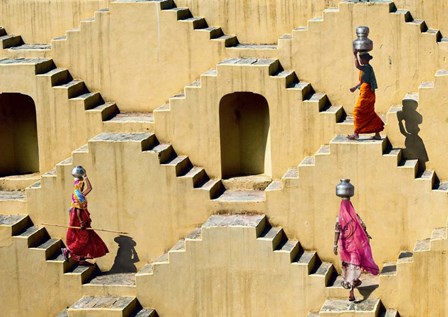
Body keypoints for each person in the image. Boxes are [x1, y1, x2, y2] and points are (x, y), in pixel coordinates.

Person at [333, 198, 379, 301]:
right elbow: (363, 226)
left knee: (349, 268)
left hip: (344, 248)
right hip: (354, 247)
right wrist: (365, 235)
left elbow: (336, 231)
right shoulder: (355, 217)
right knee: (353, 267)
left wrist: (335, 245)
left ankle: (351, 291)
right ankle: (352, 286)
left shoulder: (339, 218)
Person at [61, 168, 108, 265]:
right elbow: (78, 210)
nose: (83, 188)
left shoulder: (80, 195)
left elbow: (90, 188)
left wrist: (85, 177)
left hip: (83, 219)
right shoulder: (77, 197)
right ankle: (68, 250)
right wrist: (81, 222)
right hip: (79, 220)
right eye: (82, 186)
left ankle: (81, 258)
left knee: (88, 238)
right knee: (83, 239)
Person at [348, 50, 384, 140]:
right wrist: (355, 87)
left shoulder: (367, 68)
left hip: (367, 94)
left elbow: (357, 66)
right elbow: (363, 81)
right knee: (369, 112)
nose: (360, 61)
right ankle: (377, 134)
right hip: (366, 92)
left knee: (357, 111)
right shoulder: (366, 68)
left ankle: (356, 133)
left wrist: (354, 54)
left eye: (361, 59)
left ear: (365, 60)